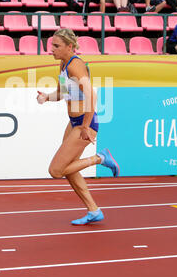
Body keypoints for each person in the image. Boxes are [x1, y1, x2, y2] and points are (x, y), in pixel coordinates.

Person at [37, 28, 119, 225]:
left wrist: (84, 126)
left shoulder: (76, 66)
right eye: (52, 45)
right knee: (69, 168)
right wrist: (46, 97)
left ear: (70, 47)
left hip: (85, 123)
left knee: (56, 170)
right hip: (74, 122)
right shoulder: (63, 65)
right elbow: (62, 93)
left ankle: (100, 158)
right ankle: (94, 210)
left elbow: (92, 96)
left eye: (56, 46)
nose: (52, 50)